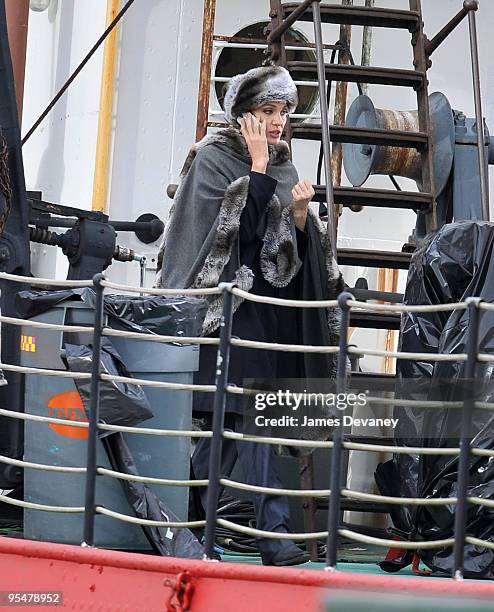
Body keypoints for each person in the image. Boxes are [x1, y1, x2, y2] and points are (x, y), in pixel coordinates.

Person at [157, 65, 343, 565]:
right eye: (268, 111)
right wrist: (257, 170)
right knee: (246, 422)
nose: (278, 122)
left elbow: (282, 254)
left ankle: (184, 513)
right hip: (221, 314)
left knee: (235, 427)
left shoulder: (281, 164)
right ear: (243, 115)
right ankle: (275, 536)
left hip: (264, 316)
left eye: (284, 112)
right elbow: (221, 238)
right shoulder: (211, 158)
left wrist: (301, 219)